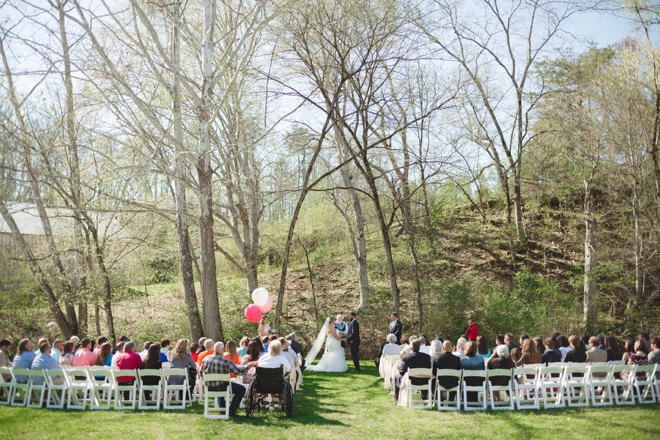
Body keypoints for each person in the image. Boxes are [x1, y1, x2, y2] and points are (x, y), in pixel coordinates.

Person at [201, 342, 257, 418]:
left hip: (209, 387)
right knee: (241, 389)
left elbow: (201, 373)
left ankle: (222, 410)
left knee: (220, 384)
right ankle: (231, 410)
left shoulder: (205, 359)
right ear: (222, 349)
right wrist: (250, 365)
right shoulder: (225, 362)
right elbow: (239, 372)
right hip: (222, 386)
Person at [394, 338, 431, 402]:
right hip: (425, 381)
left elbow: (402, 372)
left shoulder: (406, 357)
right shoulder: (427, 357)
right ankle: (424, 396)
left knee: (397, 377)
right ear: (419, 348)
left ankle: (398, 399)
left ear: (411, 348)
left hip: (411, 381)